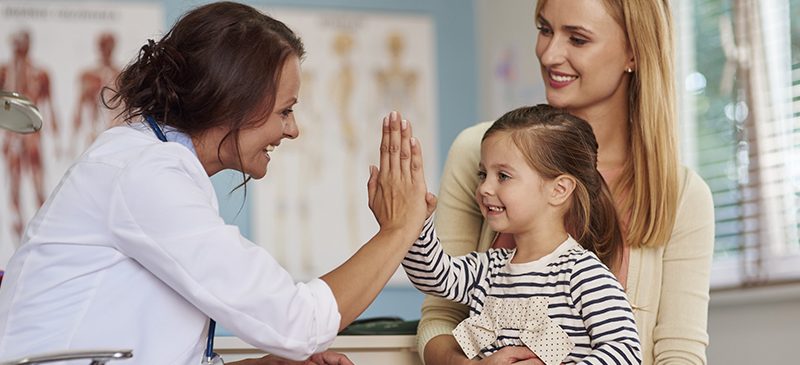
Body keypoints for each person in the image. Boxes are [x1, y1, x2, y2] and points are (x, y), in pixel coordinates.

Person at [0, 2, 432, 365]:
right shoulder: (145, 174)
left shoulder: (152, 165)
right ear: (234, 101)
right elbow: (299, 322)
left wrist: (271, 364)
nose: (293, 129)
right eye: (286, 111)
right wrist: (398, 229)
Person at [417, 1, 715, 364]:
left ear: (633, 53)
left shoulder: (682, 195)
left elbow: (678, 354)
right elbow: (441, 313)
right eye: (544, 30)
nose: (548, 54)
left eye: (577, 39)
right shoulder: (478, 154)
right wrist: (407, 224)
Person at [404, 105, 640, 365]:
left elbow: (625, 351)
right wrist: (414, 222)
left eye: (503, 176)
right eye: (483, 174)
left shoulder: (584, 274)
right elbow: (432, 276)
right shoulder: (488, 268)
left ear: (559, 189)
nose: (484, 188)